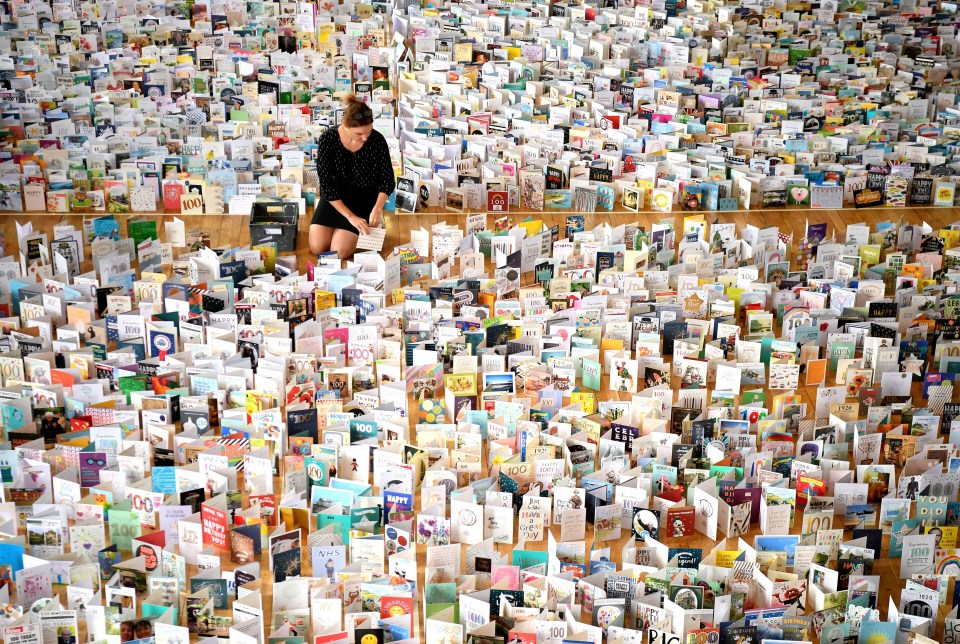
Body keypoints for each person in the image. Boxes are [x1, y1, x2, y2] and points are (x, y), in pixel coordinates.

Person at [310, 94, 395, 259]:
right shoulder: (328, 139)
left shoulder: (377, 140)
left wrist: (377, 209)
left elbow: (387, 180)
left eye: (368, 132)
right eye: (359, 134)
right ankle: (344, 229)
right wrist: (350, 217)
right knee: (317, 247)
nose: (365, 138)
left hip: (363, 200)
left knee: (337, 253)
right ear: (345, 124)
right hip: (335, 199)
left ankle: (349, 232)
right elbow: (327, 184)